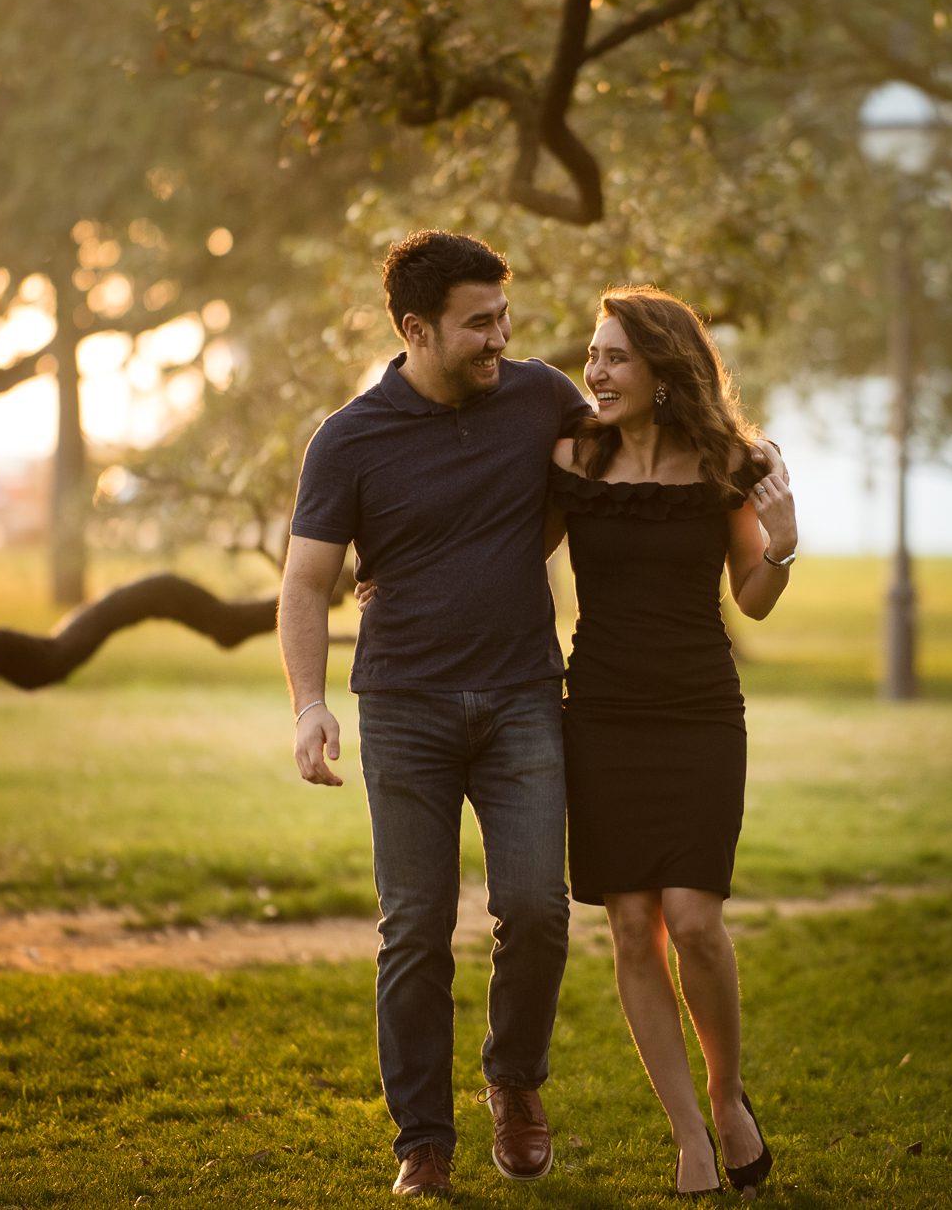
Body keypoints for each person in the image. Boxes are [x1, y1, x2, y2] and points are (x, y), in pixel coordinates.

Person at [277, 230, 590, 1198]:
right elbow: (304, 581)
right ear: (414, 329)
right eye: (478, 323)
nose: (502, 337)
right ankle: (422, 1138)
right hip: (405, 706)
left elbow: (587, 478)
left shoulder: (540, 396)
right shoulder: (349, 438)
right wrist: (308, 705)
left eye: (503, 316)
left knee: (536, 909)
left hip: (523, 695)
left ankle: (513, 1079)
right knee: (413, 927)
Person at [547, 285, 796, 1195]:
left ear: (662, 368)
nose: (595, 370)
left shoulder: (730, 460)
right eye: (593, 354)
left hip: (697, 713)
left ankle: (729, 1098)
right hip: (602, 713)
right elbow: (502, 543)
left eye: (614, 356)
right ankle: (689, 1130)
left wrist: (785, 542)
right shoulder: (571, 455)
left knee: (692, 920)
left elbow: (753, 593)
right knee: (628, 923)